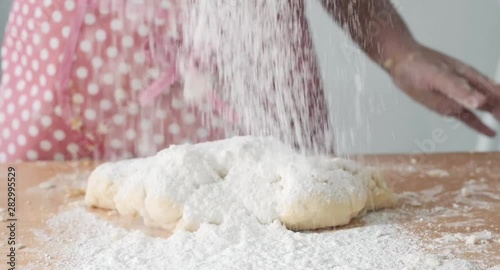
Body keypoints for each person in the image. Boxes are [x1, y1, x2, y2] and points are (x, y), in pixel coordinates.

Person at [0, 0, 499, 162]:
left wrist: (397, 50)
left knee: (280, 231)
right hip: (76, 72)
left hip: (255, 67)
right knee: (47, 233)